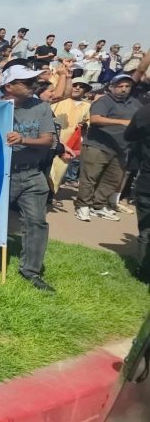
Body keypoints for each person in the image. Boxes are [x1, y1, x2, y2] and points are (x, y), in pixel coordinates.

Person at [1, 64, 57, 291]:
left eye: (34, 80)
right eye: (27, 82)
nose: (33, 85)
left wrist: (23, 139)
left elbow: (48, 140)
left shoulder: (41, 107)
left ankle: (31, 271)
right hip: (2, 175)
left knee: (36, 222)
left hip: (33, 175)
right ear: (9, 86)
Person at [74, 74, 141, 222]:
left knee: (112, 179)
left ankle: (98, 205)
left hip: (122, 148)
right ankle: (83, 206)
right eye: (120, 86)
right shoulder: (104, 101)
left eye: (127, 86)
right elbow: (95, 119)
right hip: (98, 145)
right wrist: (122, 122)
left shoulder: (135, 103)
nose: (124, 89)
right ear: (111, 87)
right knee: (90, 178)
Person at [48, 78, 92, 193]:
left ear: (85, 90)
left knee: (59, 171)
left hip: (69, 143)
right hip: (52, 140)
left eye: (81, 86)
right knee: (48, 170)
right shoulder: (58, 101)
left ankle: (51, 195)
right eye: (75, 85)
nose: (77, 88)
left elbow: (89, 122)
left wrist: (85, 125)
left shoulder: (87, 106)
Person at [124, 92, 150, 283]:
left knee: (147, 230)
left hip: (147, 183)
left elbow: (130, 134)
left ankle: (144, 272)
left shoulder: (146, 112)